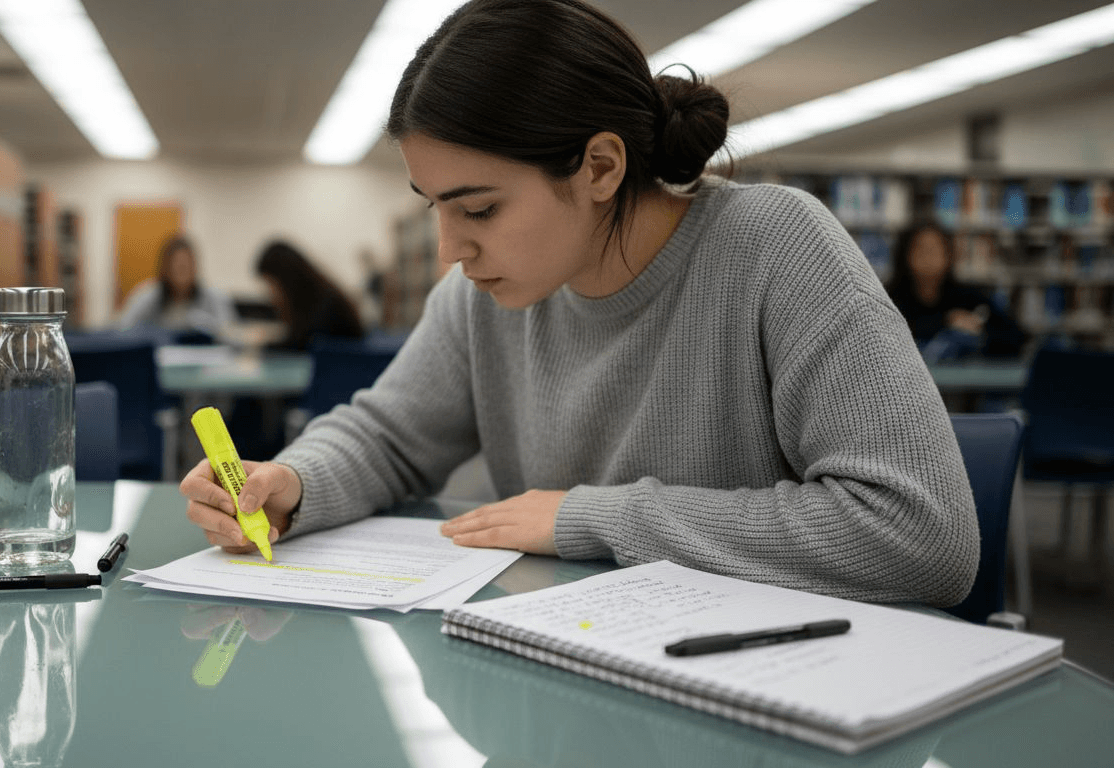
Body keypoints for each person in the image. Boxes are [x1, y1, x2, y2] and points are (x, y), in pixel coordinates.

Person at [181, 0, 979, 607]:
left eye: (480, 208)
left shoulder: (777, 248)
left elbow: (923, 535)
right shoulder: (480, 296)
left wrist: (591, 520)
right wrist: (293, 482)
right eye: (434, 205)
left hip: (772, 694)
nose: (451, 248)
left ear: (600, 167)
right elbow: (390, 437)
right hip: (581, 655)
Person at [885, 222, 1025, 362]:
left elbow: (1016, 337)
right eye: (921, 250)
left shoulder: (967, 297)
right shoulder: (889, 299)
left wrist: (980, 329)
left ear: (949, 255)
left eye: (935, 250)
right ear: (905, 255)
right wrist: (946, 322)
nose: (929, 258)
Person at [117, 234, 238, 342]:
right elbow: (124, 329)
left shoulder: (215, 298)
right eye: (177, 265)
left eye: (186, 265)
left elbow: (231, 334)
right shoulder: (147, 297)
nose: (182, 271)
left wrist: (208, 326)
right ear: (165, 268)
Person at [255, 240, 365, 350]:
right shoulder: (318, 298)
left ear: (284, 280)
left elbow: (302, 346)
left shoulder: (327, 306)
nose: (270, 293)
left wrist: (261, 346)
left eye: (271, 284)